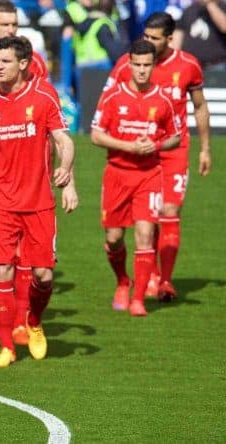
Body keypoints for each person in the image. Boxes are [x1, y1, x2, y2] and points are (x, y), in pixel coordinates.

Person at [0, 36, 75, 367]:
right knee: (2, 271)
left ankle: (35, 321)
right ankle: (8, 347)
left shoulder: (42, 96)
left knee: (44, 276)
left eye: (5, 62)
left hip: (39, 201)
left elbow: (63, 140)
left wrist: (66, 170)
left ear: (23, 64)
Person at [101, 12, 211, 301]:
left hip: (173, 149)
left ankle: (165, 280)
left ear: (169, 38)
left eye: (154, 38)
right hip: (136, 155)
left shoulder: (188, 65)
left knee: (169, 212)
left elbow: (199, 107)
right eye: (145, 35)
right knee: (136, 224)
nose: (147, 41)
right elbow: (109, 101)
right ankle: (140, 277)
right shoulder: (129, 63)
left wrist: (206, 149)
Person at [91, 39, 181, 316]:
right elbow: (96, 135)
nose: (141, 71)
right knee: (115, 237)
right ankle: (123, 281)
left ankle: (138, 299)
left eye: (147, 65)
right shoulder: (113, 96)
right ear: (129, 65)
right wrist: (129, 146)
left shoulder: (163, 99)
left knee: (145, 234)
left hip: (148, 175)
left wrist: (154, 146)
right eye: (137, 65)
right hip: (117, 174)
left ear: (154, 66)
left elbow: (175, 137)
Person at [0, 0, 49, 87]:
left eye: (14, 25)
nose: (11, 30)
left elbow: (44, 93)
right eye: (5, 25)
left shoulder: (33, 59)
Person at [173, 0, 226, 70]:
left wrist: (209, 4)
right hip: (191, 66)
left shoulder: (223, 7)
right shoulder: (189, 10)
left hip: (217, 65)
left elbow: (224, 27)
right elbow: (177, 37)